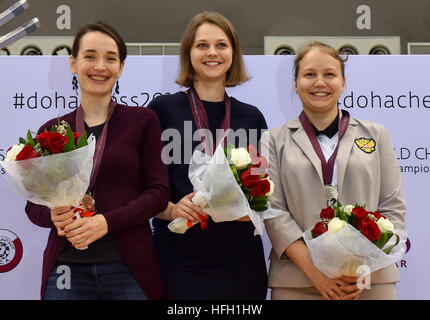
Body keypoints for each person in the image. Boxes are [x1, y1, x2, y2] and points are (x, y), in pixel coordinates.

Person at [25, 22, 170, 300]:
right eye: (90, 56)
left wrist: (106, 222)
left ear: (121, 67)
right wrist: (53, 215)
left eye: (110, 58)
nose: (100, 66)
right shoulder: (52, 130)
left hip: (128, 266)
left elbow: (158, 193)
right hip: (67, 267)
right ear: (72, 63)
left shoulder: (143, 121)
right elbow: (33, 206)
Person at [264, 42, 406, 300]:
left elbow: (392, 207)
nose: (320, 82)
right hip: (298, 281)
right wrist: (315, 272)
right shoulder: (274, 140)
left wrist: (366, 271)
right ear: (295, 83)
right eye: (309, 74)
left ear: (343, 82)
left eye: (329, 74)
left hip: (371, 282)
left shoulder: (376, 134)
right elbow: (274, 212)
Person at [148, 12, 268, 299]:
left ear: (233, 53)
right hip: (178, 257)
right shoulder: (162, 110)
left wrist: (252, 212)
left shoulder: (252, 117)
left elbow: (265, 191)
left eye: (221, 45)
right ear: (188, 53)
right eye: (202, 45)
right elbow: (144, 187)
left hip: (241, 260)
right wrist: (171, 210)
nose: (212, 53)